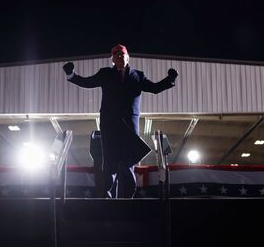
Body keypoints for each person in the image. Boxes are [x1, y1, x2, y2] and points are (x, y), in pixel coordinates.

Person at [63, 44, 178, 198]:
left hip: (129, 126)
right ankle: (108, 198)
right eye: (116, 55)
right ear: (112, 59)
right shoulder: (105, 74)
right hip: (109, 125)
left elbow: (155, 88)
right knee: (109, 162)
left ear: (127, 57)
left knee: (128, 162)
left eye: (122, 54)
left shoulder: (138, 75)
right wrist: (71, 74)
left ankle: (128, 200)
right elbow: (87, 83)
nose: (120, 57)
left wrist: (170, 79)